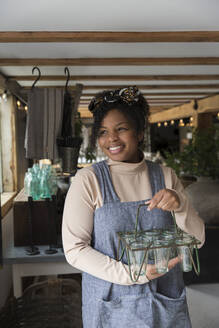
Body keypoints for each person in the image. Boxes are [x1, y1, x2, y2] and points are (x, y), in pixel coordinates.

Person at [62, 86, 205, 328]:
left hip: (164, 296)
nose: (111, 140)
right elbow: (74, 250)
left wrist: (179, 206)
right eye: (103, 132)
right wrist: (132, 274)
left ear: (139, 133)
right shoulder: (89, 181)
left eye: (121, 129)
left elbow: (197, 240)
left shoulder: (166, 176)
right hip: (111, 304)